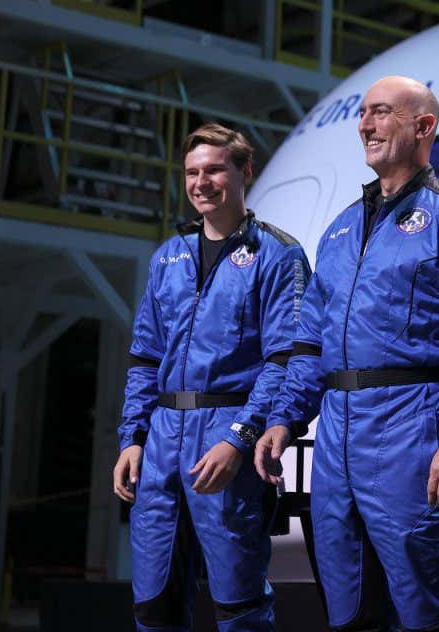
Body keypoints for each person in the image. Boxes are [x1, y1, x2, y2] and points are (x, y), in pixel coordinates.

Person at [255, 76, 439, 632]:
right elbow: (309, 342)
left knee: (427, 608)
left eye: (383, 113)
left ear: (424, 126)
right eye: (363, 114)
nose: (366, 125)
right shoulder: (340, 228)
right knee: (348, 610)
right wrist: (284, 418)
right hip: (337, 439)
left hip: (411, 429)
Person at [113, 124, 311, 632]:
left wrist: (239, 440)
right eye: (192, 173)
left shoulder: (279, 256)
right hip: (160, 446)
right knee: (153, 607)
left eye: (215, 170)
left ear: (244, 172)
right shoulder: (167, 258)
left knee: (238, 608)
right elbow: (143, 358)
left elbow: (284, 359)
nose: (202, 182)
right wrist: (132, 438)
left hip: (225, 441)